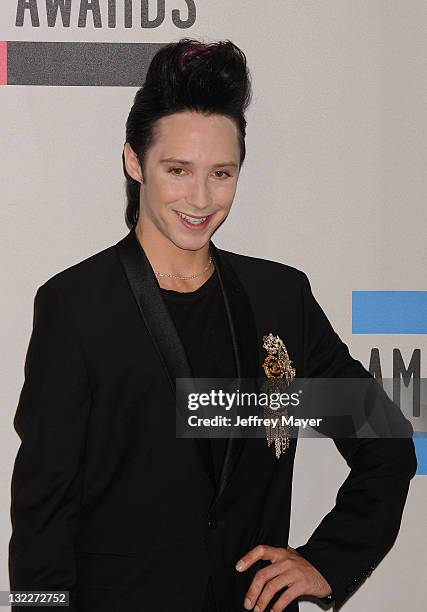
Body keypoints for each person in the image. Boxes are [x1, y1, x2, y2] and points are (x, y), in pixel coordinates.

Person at [9, 38, 417, 612]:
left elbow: (386, 441)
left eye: (221, 173)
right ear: (135, 162)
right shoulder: (76, 307)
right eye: (178, 170)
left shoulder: (280, 300)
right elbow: (42, 513)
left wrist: (329, 561)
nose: (200, 198)